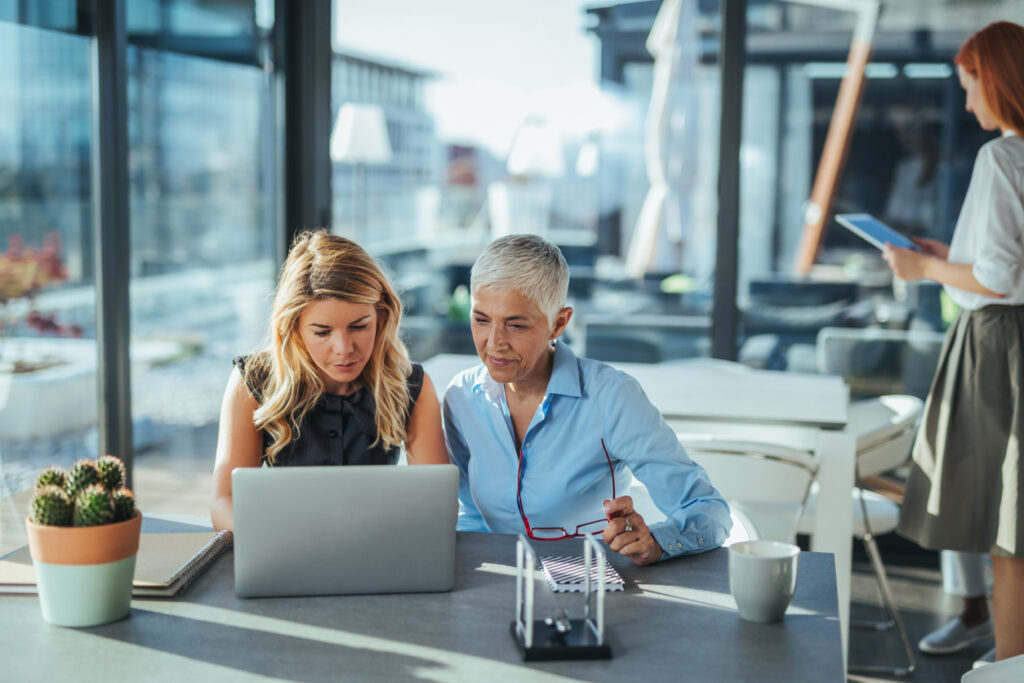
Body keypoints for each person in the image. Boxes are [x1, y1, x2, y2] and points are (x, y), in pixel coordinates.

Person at [443, 234, 731, 565]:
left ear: (558, 323)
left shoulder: (612, 397)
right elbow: (471, 514)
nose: (494, 343)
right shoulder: (461, 398)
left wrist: (657, 542)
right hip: (499, 590)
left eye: (516, 325)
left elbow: (709, 511)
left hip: (595, 591)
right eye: (481, 319)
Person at [884, 21, 1024, 664]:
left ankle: (1004, 666)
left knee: (1005, 527)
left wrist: (923, 269)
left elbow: (995, 280)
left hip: (999, 347)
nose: (968, 103)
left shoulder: (1001, 156)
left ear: (996, 81)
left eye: (971, 87)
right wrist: (951, 257)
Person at [211, 230, 448, 531]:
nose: (344, 348)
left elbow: (436, 503)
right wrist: (268, 540)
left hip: (377, 552)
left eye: (359, 326)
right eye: (322, 332)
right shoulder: (253, 382)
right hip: (284, 554)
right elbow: (224, 501)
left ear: (382, 313)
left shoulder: (410, 385)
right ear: (293, 327)